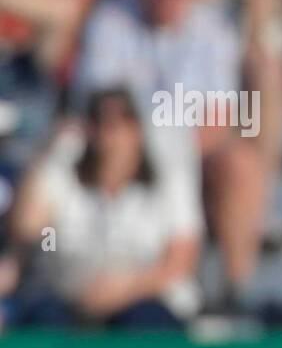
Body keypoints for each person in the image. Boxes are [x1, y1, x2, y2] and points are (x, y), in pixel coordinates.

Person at [0, 86, 201, 329]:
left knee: (147, 327)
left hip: (145, 299)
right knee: (42, 323)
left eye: (118, 125)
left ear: (136, 131)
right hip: (68, 299)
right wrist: (48, 152)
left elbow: (180, 258)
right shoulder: (65, 170)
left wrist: (119, 292)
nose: (108, 137)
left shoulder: (167, 177)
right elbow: (27, 227)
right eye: (99, 124)